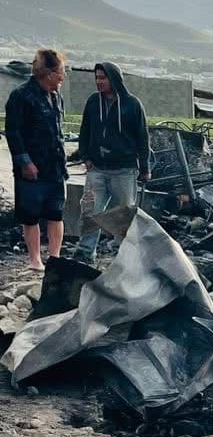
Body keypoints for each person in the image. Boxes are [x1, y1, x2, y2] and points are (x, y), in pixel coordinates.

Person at [76, 62, 151, 264]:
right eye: (97, 77)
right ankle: (84, 253)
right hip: (97, 169)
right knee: (90, 212)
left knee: (124, 215)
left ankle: (121, 257)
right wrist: (86, 157)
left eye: (103, 77)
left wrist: (145, 168)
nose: (99, 81)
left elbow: (143, 138)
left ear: (114, 79)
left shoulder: (132, 105)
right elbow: (84, 131)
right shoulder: (93, 102)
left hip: (124, 171)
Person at [4, 47, 68, 272]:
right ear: (49, 73)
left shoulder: (56, 96)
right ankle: (35, 260)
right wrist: (25, 162)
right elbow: (13, 133)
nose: (63, 76)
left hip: (55, 166)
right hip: (32, 168)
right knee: (30, 215)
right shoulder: (21, 96)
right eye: (60, 71)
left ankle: (55, 257)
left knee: (56, 212)